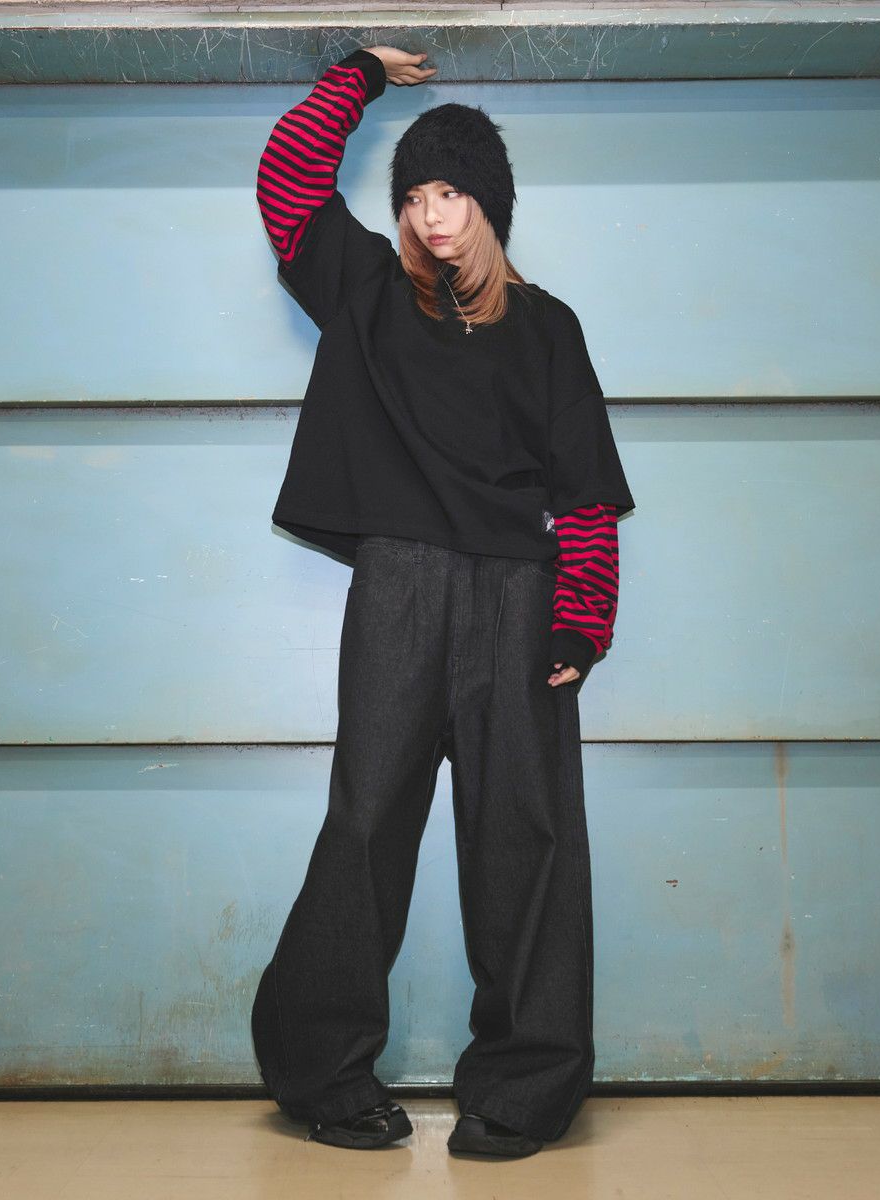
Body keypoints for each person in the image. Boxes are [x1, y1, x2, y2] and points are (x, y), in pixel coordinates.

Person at [250, 44, 635, 1158]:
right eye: (415, 196)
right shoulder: (368, 291)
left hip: (521, 599)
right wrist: (357, 76)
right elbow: (287, 182)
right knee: (367, 823)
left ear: (488, 205)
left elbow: (586, 495)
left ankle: (523, 1087)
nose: (431, 217)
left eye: (450, 194)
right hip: (402, 586)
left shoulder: (548, 328)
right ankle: (324, 1075)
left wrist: (582, 622)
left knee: (527, 838)